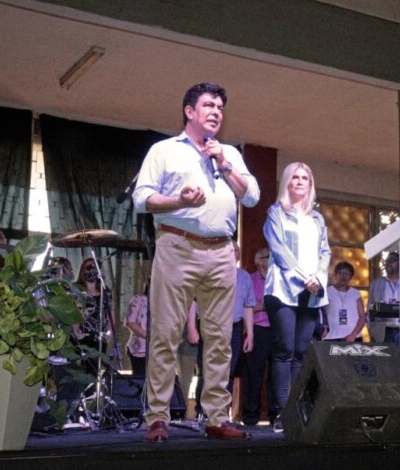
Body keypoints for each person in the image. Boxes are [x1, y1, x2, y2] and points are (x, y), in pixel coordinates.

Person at [132, 82, 260, 442]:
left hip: (222, 253)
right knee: (165, 334)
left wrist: (225, 164)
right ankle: (158, 416)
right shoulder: (164, 150)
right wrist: (179, 201)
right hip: (177, 246)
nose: (216, 111)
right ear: (190, 111)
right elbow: (142, 199)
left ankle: (217, 417)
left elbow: (252, 197)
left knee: (220, 339)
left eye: (220, 107)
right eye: (208, 105)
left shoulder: (229, 154)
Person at [263, 162, 331, 433]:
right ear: (287, 183)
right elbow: (279, 249)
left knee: (301, 353)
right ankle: (282, 412)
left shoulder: (317, 219)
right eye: (295, 177)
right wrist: (305, 278)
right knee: (284, 351)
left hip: (311, 293)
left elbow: (325, 252)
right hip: (283, 290)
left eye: (305, 178)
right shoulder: (276, 212)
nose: (301, 181)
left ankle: (296, 411)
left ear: (310, 184)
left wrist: (318, 278)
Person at [242, 247, 275, 426]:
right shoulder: (250, 279)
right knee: (253, 374)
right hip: (257, 329)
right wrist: (264, 306)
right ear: (258, 261)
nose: (271, 259)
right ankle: (250, 415)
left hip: (277, 330)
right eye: (267, 256)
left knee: (276, 374)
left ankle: (275, 414)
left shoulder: (279, 279)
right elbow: (245, 307)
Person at [72, 257, 115, 377]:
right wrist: (76, 330)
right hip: (81, 336)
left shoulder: (105, 291)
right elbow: (73, 311)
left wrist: (111, 331)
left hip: (99, 337)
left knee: (94, 371)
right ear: (82, 270)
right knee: (80, 369)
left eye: (95, 267)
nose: (92, 270)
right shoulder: (76, 289)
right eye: (89, 267)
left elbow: (110, 311)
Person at [226, 241, 255, 399]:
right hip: (213, 327)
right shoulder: (210, 273)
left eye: (236, 250)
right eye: (229, 249)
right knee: (209, 369)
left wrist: (249, 335)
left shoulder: (244, 276)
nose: (233, 252)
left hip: (235, 327)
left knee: (231, 369)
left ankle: (224, 409)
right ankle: (203, 410)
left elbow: (248, 306)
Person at [322, 261, 366, 342]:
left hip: (354, 337)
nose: (343, 276)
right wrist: (322, 329)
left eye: (347, 273)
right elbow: (321, 313)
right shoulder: (327, 291)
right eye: (340, 272)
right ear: (335, 274)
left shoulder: (355, 293)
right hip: (331, 336)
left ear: (351, 276)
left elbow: (362, 317)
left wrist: (353, 335)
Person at [367, 252, 400, 343]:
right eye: (386, 261)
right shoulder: (377, 283)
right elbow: (370, 308)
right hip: (383, 332)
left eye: (392, 260)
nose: (388, 263)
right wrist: (371, 331)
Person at [124, 279, 150, 377]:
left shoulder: (165, 303)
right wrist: (148, 336)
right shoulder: (139, 299)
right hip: (140, 349)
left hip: (159, 350)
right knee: (140, 378)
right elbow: (130, 322)